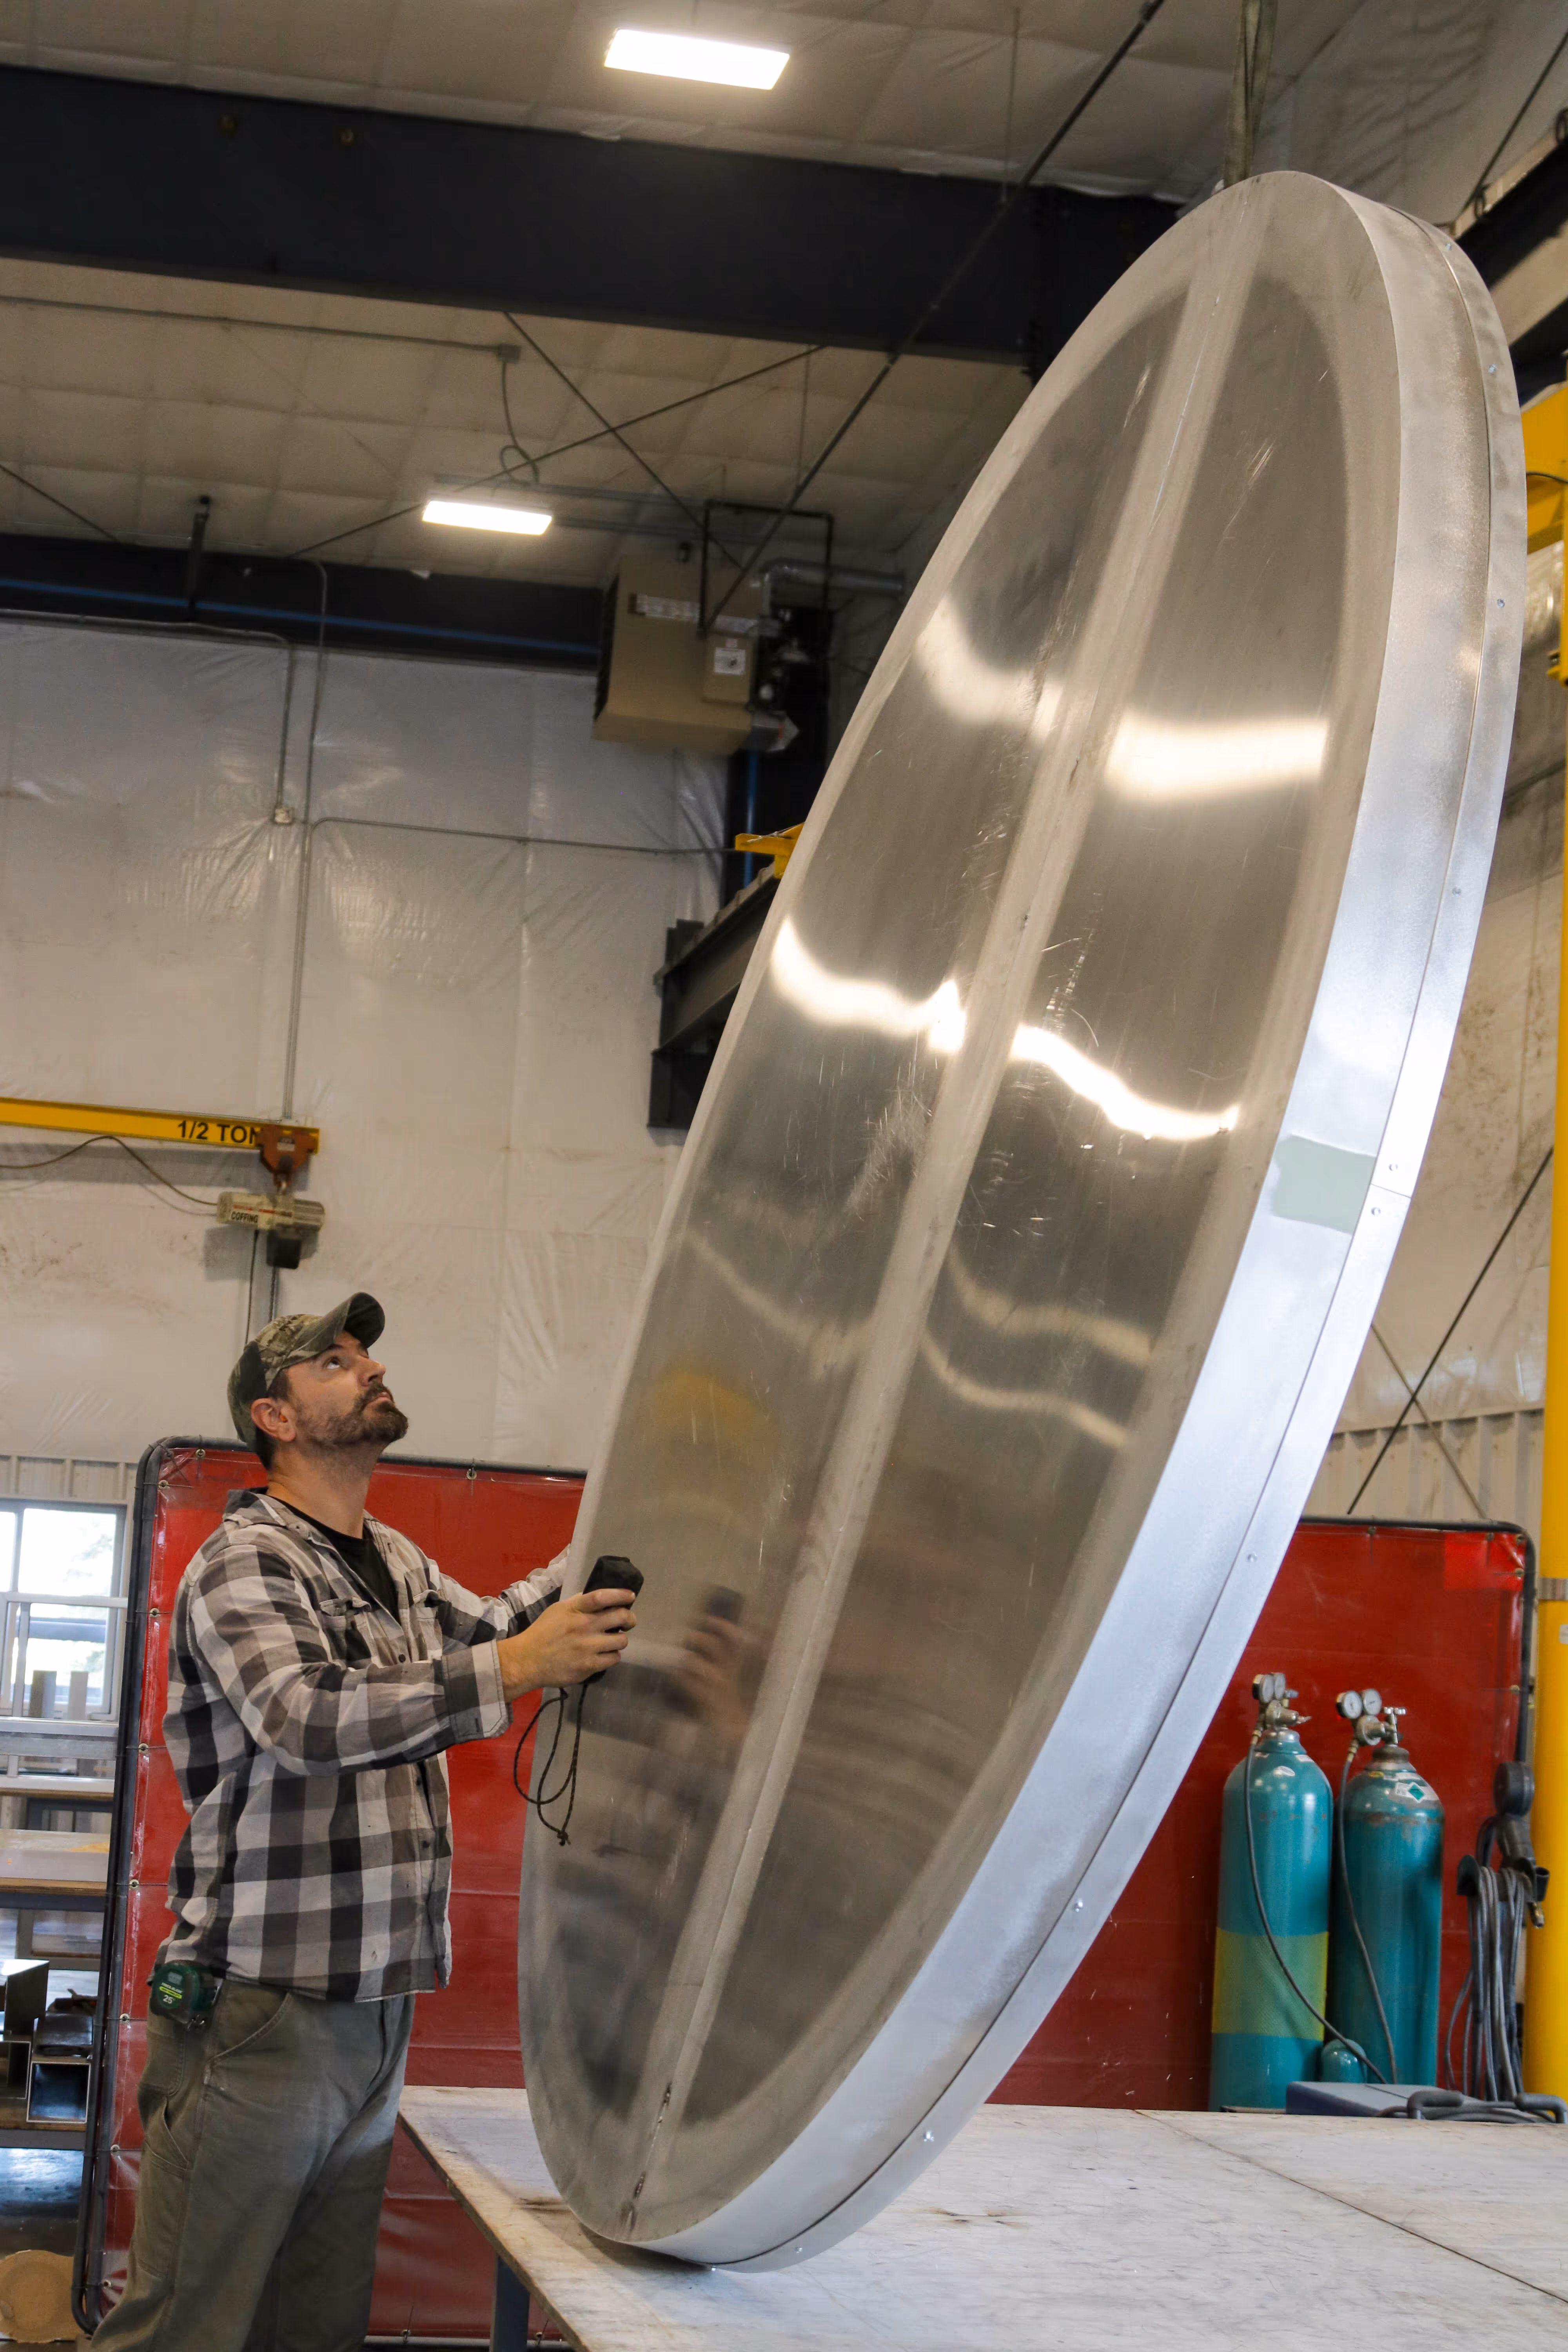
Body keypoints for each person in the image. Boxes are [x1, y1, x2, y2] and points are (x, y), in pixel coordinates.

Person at [93, 1292, 636, 2352]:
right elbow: (303, 1716)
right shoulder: (244, 1559)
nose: (366, 1369)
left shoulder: (388, 1557)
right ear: (276, 1418)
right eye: (334, 1363)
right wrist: (517, 1666)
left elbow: (489, 1629)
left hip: (373, 2006)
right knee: (185, 2326)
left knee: (317, 2324)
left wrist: (617, 1538)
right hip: (259, 2011)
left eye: (365, 1356)